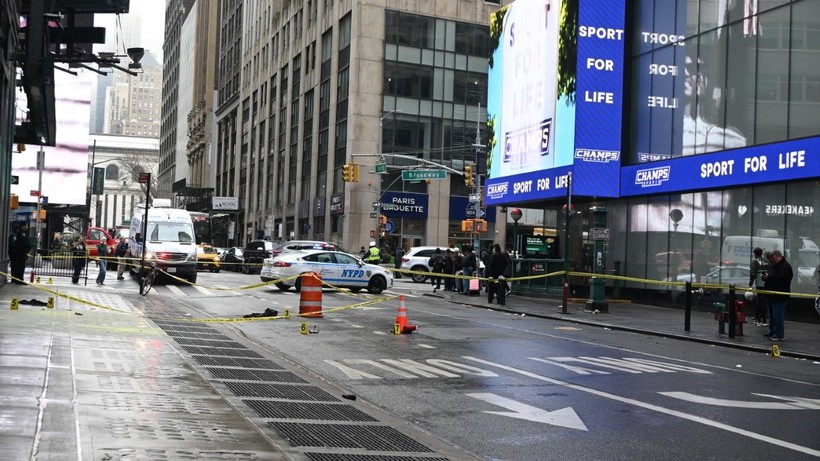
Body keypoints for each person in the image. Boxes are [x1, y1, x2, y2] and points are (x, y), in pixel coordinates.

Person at [762, 250, 792, 341]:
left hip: (779, 296)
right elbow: (772, 276)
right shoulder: (774, 266)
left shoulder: (785, 267)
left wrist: (769, 277)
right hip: (772, 295)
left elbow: (782, 278)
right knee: (772, 315)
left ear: (778, 257)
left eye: (774, 259)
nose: (772, 261)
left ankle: (779, 334)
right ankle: (773, 331)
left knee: (778, 315)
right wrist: (765, 277)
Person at [748, 247, 769, 326]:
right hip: (767, 283)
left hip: (760, 284)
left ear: (755, 254)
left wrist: (750, 284)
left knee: (760, 301)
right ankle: (763, 319)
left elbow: (753, 274)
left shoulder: (755, 262)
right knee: (763, 301)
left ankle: (759, 319)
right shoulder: (767, 261)